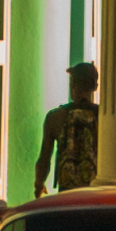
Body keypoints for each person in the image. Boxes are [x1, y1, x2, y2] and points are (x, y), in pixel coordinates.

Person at [32, 62, 101, 197]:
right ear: (95, 86)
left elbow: (44, 159)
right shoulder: (103, 117)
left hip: (67, 193)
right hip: (95, 191)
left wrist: (39, 184)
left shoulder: (55, 117)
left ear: (72, 83)